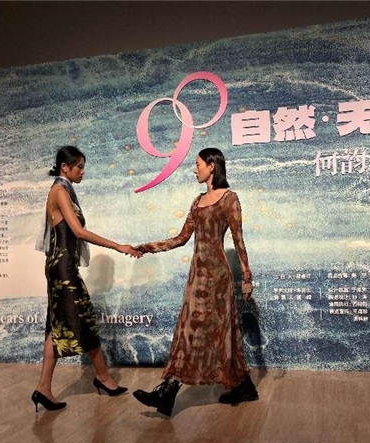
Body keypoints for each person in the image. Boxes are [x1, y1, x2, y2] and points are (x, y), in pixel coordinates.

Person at [132, 147, 258, 417]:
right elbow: (181, 238)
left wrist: (247, 278)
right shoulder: (197, 201)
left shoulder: (230, 199)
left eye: (198, 164)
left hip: (217, 279)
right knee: (196, 332)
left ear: (212, 166)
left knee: (207, 333)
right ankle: (244, 387)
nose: (194, 169)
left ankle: (167, 392)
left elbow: (239, 240)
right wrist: (148, 247)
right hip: (196, 277)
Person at [31, 146, 141, 412]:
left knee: (57, 326)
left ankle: (43, 388)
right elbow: (78, 232)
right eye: (79, 167)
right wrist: (118, 246)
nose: (83, 171)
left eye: (83, 167)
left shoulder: (64, 190)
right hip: (63, 268)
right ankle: (103, 377)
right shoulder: (60, 191)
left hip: (60, 266)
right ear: (64, 167)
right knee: (84, 320)